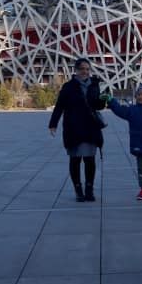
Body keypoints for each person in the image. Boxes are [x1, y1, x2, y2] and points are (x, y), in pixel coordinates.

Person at [49, 58, 106, 202]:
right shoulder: (68, 87)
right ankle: (78, 189)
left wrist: (103, 100)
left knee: (89, 159)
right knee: (75, 159)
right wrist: (53, 123)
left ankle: (89, 189)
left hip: (90, 126)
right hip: (73, 127)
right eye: (82, 69)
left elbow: (97, 106)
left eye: (87, 69)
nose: (85, 72)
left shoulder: (94, 85)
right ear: (76, 70)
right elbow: (60, 105)